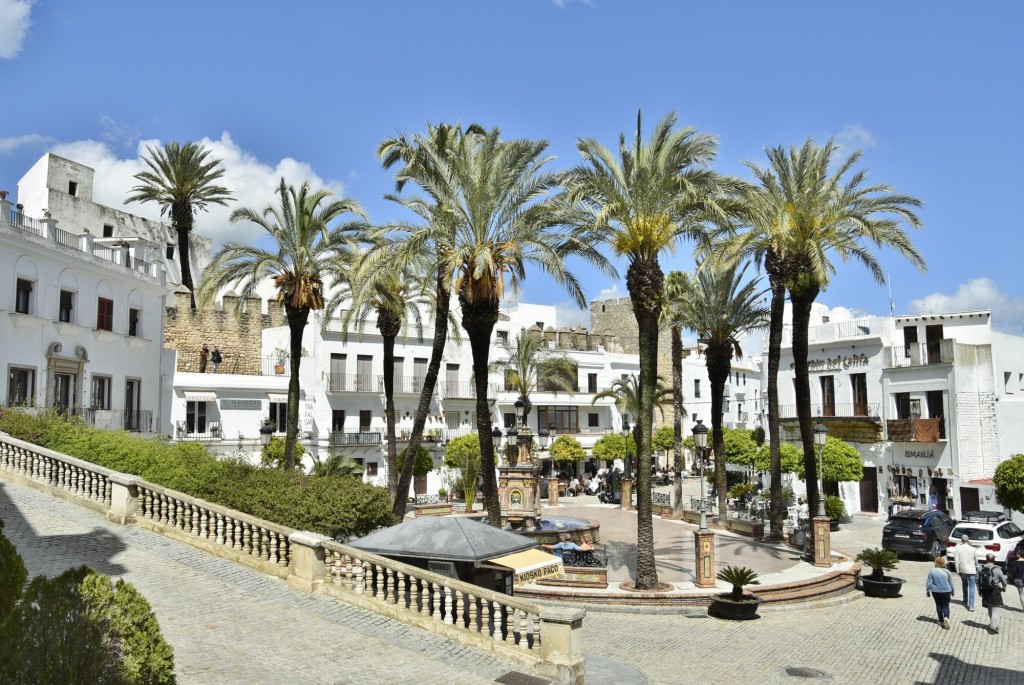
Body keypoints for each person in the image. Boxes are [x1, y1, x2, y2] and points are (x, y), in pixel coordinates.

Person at [978, 553, 1008, 634]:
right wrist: (1004, 587)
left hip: (984, 590)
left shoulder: (981, 568)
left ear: (986, 559)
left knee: (989, 608)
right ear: (994, 560)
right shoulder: (998, 569)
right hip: (995, 591)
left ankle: (992, 624)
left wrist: (979, 590)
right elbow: (1003, 581)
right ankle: (993, 627)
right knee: (995, 610)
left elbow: (977, 580)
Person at [925, 556, 955, 629]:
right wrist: (952, 590)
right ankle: (946, 617)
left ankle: (941, 620)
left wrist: (928, 590)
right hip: (946, 591)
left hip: (936, 591)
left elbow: (929, 582)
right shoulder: (947, 571)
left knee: (938, 605)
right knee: (945, 605)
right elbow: (951, 583)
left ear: (936, 563)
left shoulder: (932, 571)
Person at [952, 534, 978, 611]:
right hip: (971, 570)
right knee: (972, 587)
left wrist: (957, 569)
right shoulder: (973, 549)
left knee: (964, 585)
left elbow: (956, 560)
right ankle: (971, 605)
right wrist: (975, 567)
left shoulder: (958, 548)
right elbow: (976, 560)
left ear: (961, 540)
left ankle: (965, 600)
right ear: (968, 540)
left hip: (963, 570)